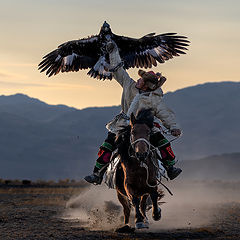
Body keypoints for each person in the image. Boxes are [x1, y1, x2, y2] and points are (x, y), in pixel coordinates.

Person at [84, 41, 182, 185]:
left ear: (147, 85)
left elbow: (164, 113)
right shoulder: (129, 85)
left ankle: (170, 168)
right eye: (140, 78)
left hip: (146, 126)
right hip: (123, 124)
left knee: (163, 143)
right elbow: (119, 70)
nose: (138, 80)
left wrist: (173, 127)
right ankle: (98, 173)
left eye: (142, 80)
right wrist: (113, 51)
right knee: (108, 145)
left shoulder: (154, 99)